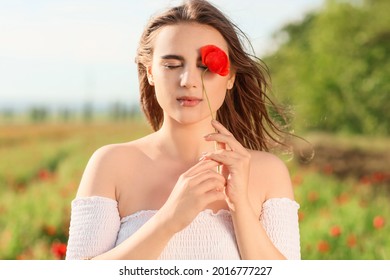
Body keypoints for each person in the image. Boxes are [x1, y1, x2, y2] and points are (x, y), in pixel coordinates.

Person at [65, 0, 301, 260]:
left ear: (231, 76)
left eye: (206, 67)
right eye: (172, 65)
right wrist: (169, 219)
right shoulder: (111, 164)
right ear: (150, 72)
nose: (188, 81)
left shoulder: (268, 172)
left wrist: (241, 207)